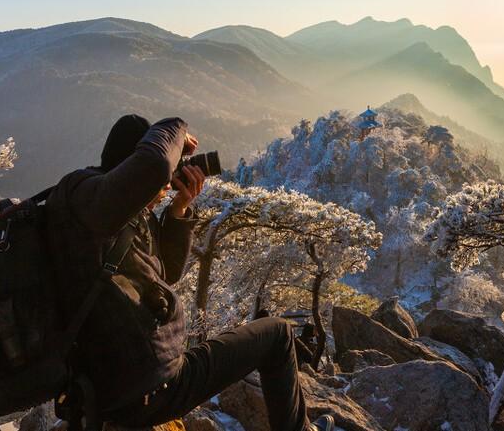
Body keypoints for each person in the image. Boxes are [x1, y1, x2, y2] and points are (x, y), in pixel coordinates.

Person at [45, 114, 332, 431]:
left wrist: (179, 207)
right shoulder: (92, 199)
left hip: (107, 388)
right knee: (276, 333)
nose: (164, 185)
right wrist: (176, 129)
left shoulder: (97, 211)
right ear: (134, 168)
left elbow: (166, 273)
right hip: (146, 390)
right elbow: (154, 163)